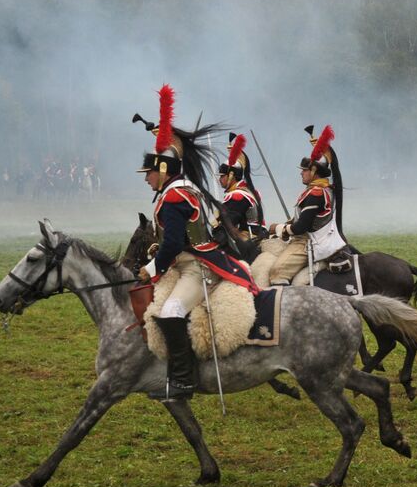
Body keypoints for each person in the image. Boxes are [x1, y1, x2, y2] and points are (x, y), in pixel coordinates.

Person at [134, 86, 257, 401]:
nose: (146, 178)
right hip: (188, 259)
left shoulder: (175, 194)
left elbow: (176, 243)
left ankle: (184, 379)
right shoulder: (176, 190)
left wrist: (151, 267)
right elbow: (176, 236)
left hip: (197, 266)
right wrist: (157, 247)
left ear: (163, 170)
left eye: (148, 173)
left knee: (172, 311)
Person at [249, 125, 344, 286]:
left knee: (276, 272)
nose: (301, 173)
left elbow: (301, 228)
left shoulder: (316, 193)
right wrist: (287, 226)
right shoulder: (320, 190)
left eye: (305, 170)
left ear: (314, 171)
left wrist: (278, 228)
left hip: (309, 242)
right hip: (310, 238)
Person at [213, 133, 267, 258]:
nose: (220, 179)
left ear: (231, 176)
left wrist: (215, 237)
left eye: (222, 176)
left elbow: (228, 222)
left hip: (247, 240)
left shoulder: (238, 195)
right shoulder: (247, 191)